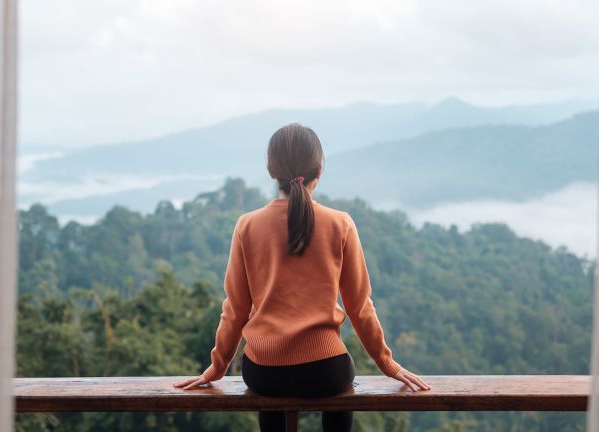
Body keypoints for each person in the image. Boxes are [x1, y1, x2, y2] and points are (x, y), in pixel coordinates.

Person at [173, 123, 430, 431]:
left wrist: (217, 367)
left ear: (271, 171)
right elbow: (360, 308)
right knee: (339, 390)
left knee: (271, 397)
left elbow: (236, 309)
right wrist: (387, 363)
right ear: (318, 169)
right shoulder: (340, 224)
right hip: (326, 370)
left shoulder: (248, 226)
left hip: (263, 371)